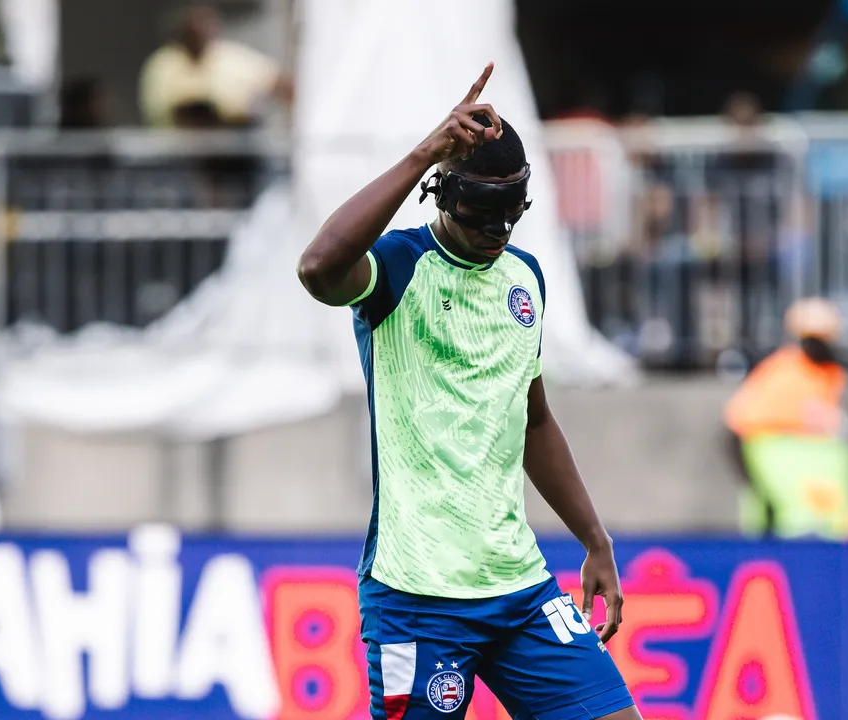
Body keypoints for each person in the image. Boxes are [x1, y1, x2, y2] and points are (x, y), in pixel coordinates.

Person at [297, 64, 640, 720]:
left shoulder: (526, 279)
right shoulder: (396, 267)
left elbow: (535, 420)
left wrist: (595, 540)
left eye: (513, 212)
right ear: (441, 193)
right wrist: (426, 149)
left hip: (518, 587)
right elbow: (317, 267)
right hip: (417, 594)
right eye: (482, 213)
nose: (498, 231)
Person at [723, 298, 848, 541]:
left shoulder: (821, 371)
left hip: (778, 446)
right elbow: (743, 415)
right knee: (793, 519)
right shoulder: (786, 367)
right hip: (768, 443)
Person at [138, 3, 294, 129]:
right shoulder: (164, 64)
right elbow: (185, 115)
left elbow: (283, 84)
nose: (201, 31)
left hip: (238, 158)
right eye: (196, 25)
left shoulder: (230, 57)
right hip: (181, 160)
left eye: (206, 24)